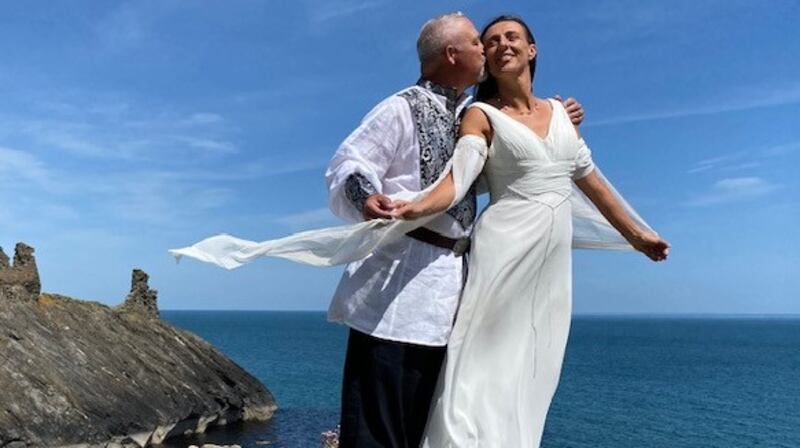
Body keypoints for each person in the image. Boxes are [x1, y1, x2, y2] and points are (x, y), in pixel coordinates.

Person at [170, 13, 584, 448]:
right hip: (396, 295)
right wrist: (366, 198)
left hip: (457, 296)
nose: (486, 50)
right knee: (377, 433)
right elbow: (348, 165)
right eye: (478, 44)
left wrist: (558, 119)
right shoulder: (400, 107)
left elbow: (516, 162)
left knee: (432, 429)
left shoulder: (475, 117)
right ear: (451, 53)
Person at [388, 15, 669, 447]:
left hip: (551, 266)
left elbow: (592, 180)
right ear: (484, 59)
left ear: (532, 49)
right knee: (477, 365)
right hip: (503, 250)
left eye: (511, 37)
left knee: (533, 369)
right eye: (491, 41)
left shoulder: (561, 113)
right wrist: (416, 206)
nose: (502, 44)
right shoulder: (480, 114)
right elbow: (458, 180)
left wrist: (637, 235)